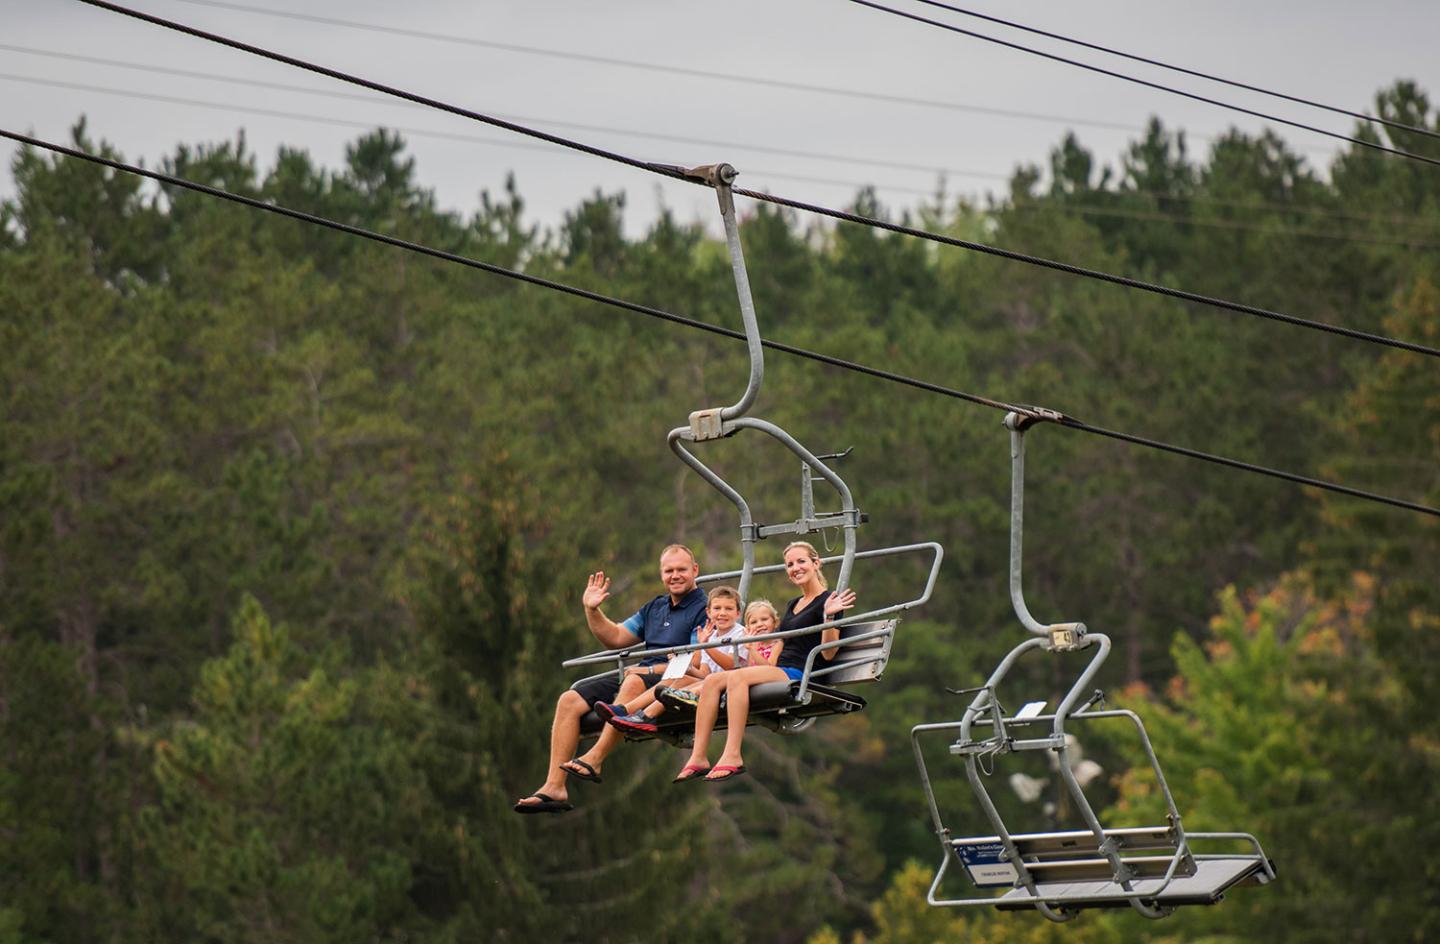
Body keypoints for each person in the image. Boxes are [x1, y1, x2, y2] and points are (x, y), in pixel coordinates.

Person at [514, 544, 708, 814]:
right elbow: (616, 637)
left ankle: (595, 757)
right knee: (569, 699)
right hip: (642, 673)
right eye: (669, 570)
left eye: (681, 570)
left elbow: (697, 661)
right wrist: (592, 611)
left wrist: (647, 671)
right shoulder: (655, 607)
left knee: (632, 680)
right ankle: (554, 786)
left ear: (695, 570)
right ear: (661, 574)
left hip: (672, 678)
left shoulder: (705, 608)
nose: (675, 575)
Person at [673, 541, 857, 783]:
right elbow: (782, 642)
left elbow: (829, 654)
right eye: (790, 564)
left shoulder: (829, 601)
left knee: (737, 677)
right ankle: (698, 757)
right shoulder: (794, 604)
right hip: (780, 668)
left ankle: (733, 755)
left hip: (802, 673)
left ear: (816, 563)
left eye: (801, 561)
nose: (795, 568)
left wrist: (829, 616)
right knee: (714, 680)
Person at [599, 585, 746, 734]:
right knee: (676, 678)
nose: (722, 613)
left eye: (728, 609)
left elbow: (730, 665)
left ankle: (645, 715)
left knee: (678, 684)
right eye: (717, 608)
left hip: (730, 682)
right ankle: (629, 711)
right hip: (709, 682)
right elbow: (704, 674)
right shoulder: (710, 637)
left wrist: (706, 646)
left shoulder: (740, 634)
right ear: (708, 612)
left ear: (738, 613)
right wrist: (689, 668)